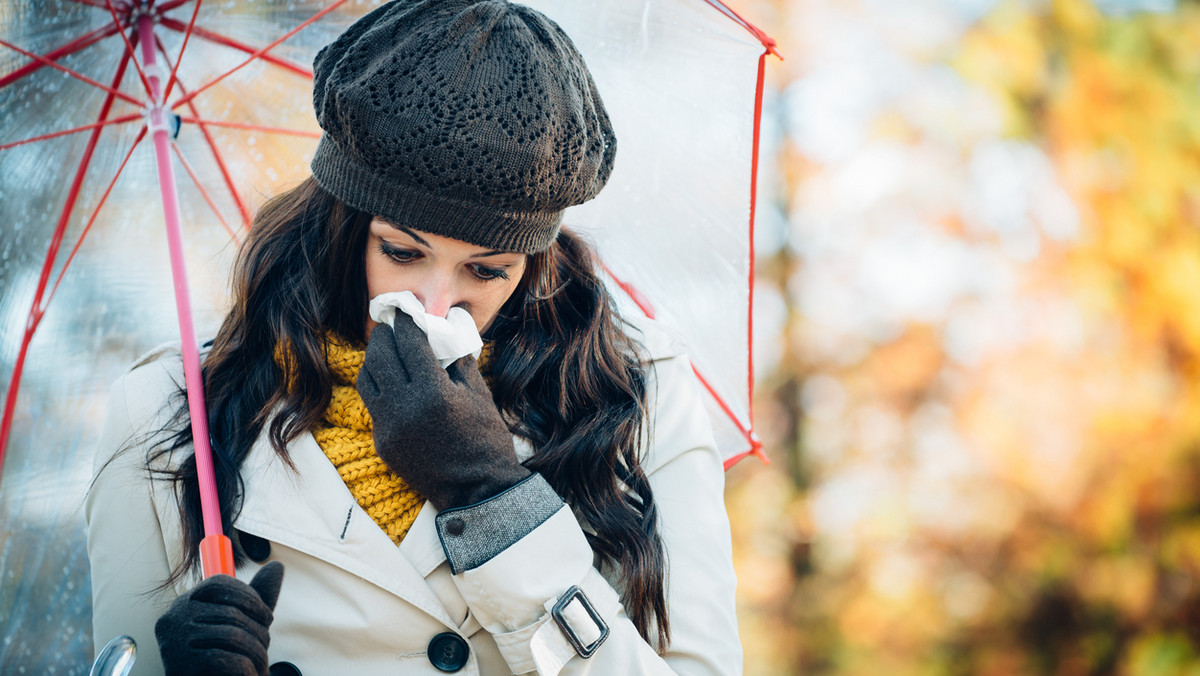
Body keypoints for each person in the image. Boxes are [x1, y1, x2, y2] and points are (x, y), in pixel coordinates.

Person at [85, 1, 741, 674]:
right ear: (343, 226)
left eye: (487, 270)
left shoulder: (633, 394)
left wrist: (494, 502)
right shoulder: (170, 412)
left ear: (533, 261)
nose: (435, 302)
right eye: (401, 252)